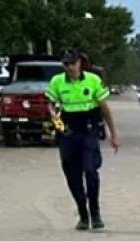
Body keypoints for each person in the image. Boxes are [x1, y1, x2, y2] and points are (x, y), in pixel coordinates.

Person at [46, 48, 120, 230]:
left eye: (72, 63)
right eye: (66, 64)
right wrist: (56, 122)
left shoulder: (93, 81)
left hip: (88, 131)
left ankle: (95, 212)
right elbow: (51, 106)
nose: (70, 67)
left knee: (91, 171)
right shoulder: (57, 82)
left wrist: (113, 134)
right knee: (72, 174)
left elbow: (104, 109)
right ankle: (83, 214)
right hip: (68, 132)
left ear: (80, 63)